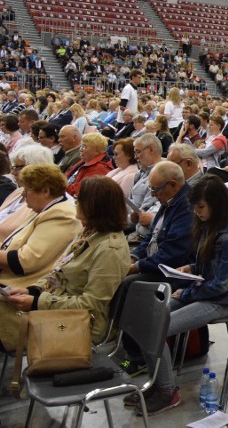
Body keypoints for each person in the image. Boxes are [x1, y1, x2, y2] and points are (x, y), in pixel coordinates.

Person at [125, 175, 228, 416]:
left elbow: (221, 285)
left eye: (200, 207)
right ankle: (157, 383)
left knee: (158, 328)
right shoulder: (209, 225)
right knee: (148, 321)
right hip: (202, 291)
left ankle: (167, 391)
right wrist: (191, 268)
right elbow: (206, 266)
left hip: (219, 301)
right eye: (195, 207)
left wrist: (188, 291)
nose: (197, 212)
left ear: (216, 205)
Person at [0, 177, 131, 351]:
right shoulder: (88, 233)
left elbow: (90, 304)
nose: (76, 207)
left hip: (79, 325)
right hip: (56, 309)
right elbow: (56, 273)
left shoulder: (110, 249)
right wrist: (32, 290)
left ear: (95, 207)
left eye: (80, 201)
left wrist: (37, 302)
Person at [0, 163, 81, 288]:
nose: (23, 195)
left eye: (27, 190)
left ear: (45, 191)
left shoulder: (61, 215)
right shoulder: (44, 209)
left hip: (20, 288)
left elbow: (25, 261)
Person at [64, 133, 113, 197]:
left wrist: (59, 187)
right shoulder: (85, 160)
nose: (80, 149)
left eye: (84, 147)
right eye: (81, 146)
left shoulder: (99, 168)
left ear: (97, 151)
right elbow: (67, 175)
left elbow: (78, 190)